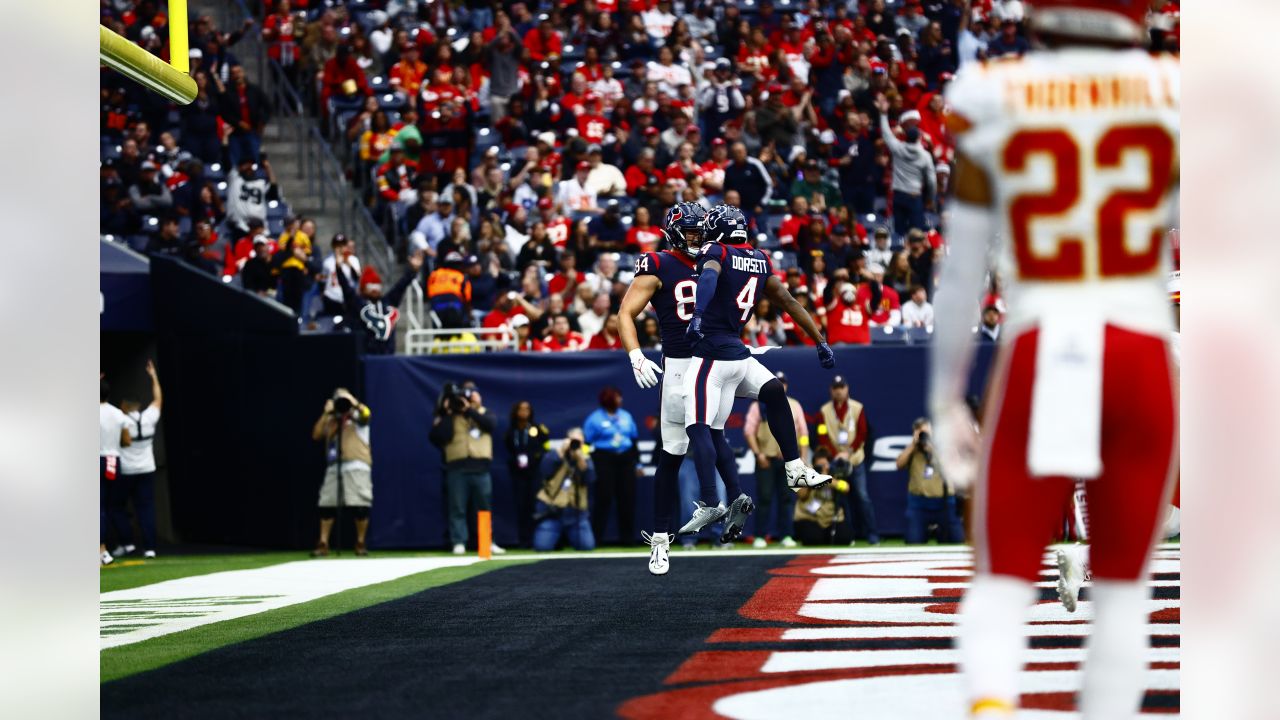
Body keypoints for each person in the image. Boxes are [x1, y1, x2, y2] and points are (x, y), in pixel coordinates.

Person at [928, 4, 1178, 717]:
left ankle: (992, 705)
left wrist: (946, 399)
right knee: (1125, 598)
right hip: (1140, 344)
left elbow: (962, 273)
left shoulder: (992, 91)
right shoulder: (1176, 90)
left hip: (1044, 340)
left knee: (1003, 582)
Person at [678, 204, 836, 542]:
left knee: (698, 427)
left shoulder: (715, 249)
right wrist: (819, 340)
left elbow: (708, 277)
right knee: (775, 392)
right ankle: (794, 468)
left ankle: (709, 501)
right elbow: (790, 302)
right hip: (740, 355)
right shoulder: (760, 258)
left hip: (712, 356)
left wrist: (698, 316)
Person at [429, 382, 505, 555]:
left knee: (484, 506)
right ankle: (458, 541)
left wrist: (469, 410)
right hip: (457, 467)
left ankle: (486, 542)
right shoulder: (449, 416)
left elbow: (490, 425)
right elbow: (438, 437)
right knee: (457, 507)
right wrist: (449, 412)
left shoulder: (484, 413)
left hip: (481, 467)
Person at [743, 371, 807, 549]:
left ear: (786, 386)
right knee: (764, 497)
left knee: (787, 498)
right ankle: (760, 535)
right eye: (778, 383)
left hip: (788, 460)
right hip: (766, 458)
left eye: (783, 383)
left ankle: (786, 535)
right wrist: (758, 454)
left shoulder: (794, 405)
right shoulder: (760, 405)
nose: (781, 386)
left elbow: (803, 434)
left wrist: (801, 457)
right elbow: (749, 431)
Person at [816, 375, 880, 545]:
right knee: (841, 498)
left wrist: (848, 452)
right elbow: (822, 434)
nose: (839, 391)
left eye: (841, 387)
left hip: (855, 460)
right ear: (831, 390)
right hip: (835, 461)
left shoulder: (857, 408)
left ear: (847, 389)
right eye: (835, 388)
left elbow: (862, 433)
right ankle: (848, 535)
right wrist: (834, 453)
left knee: (862, 496)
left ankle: (872, 534)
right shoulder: (824, 410)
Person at [310, 388, 374, 557]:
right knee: (327, 504)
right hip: (334, 466)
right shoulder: (331, 420)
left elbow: (367, 415)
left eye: (343, 397)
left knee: (360, 505)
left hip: (357, 464)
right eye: (338, 398)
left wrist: (353, 402)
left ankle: (360, 542)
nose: (341, 400)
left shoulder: (358, 417)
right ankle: (323, 543)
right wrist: (326, 413)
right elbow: (316, 435)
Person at [334, 250, 423, 354]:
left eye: (377, 286)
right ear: (363, 289)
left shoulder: (387, 302)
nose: (375, 289)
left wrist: (413, 270)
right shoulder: (358, 303)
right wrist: (339, 268)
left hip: (387, 356)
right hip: (366, 357)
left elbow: (400, 286)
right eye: (370, 286)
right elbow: (346, 288)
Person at [117, 360, 163, 559]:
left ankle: (127, 543)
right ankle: (150, 547)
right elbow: (158, 399)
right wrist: (153, 376)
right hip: (146, 468)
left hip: (127, 470)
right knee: (146, 508)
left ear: (125, 406)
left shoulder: (121, 419)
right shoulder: (149, 417)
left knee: (115, 506)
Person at [583, 387, 639, 545]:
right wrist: (585, 459)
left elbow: (634, 440)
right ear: (608, 400)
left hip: (626, 459)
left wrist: (638, 463)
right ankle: (596, 538)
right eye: (617, 397)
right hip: (604, 459)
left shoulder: (626, 416)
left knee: (627, 499)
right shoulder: (594, 419)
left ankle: (627, 539)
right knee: (604, 498)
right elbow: (587, 443)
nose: (620, 400)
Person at [896, 417, 964, 545]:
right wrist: (912, 445)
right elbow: (899, 465)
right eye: (921, 433)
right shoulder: (911, 450)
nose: (924, 436)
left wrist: (933, 449)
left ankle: (939, 531)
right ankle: (927, 530)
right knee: (913, 542)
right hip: (919, 504)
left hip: (944, 503)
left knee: (957, 540)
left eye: (926, 432)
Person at [877, 96, 936, 237]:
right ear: (918, 138)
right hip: (914, 196)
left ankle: (900, 255)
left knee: (899, 233)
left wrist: (883, 114)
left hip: (898, 196)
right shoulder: (924, 155)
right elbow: (932, 180)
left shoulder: (898, 148)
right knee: (916, 234)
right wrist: (930, 199)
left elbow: (886, 134)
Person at [532, 428, 597, 552]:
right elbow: (544, 471)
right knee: (542, 547)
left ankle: (566, 538)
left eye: (579, 441)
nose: (575, 444)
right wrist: (561, 451)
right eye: (573, 440)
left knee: (586, 546)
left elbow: (590, 479)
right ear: (566, 440)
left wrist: (579, 458)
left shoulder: (586, 459)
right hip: (552, 511)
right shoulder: (554, 455)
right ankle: (555, 538)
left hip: (576, 514)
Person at [505, 400, 551, 549]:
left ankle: (536, 539)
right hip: (518, 473)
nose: (524, 412)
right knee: (521, 506)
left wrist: (535, 457)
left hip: (533, 472)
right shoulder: (511, 431)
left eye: (527, 409)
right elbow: (509, 448)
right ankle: (523, 540)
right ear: (516, 412)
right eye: (521, 409)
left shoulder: (536, 428)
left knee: (534, 505)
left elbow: (545, 444)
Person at [100, 378, 133, 565]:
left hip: (96, 459)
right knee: (109, 506)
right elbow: (127, 441)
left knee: (97, 507)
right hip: (113, 460)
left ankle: (102, 549)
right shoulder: (117, 413)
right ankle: (112, 546)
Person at [792, 449, 854, 546]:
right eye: (819, 466)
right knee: (812, 539)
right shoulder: (806, 474)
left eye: (825, 465)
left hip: (831, 518)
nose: (822, 468)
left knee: (844, 538)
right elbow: (801, 495)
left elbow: (846, 488)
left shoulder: (835, 473)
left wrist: (826, 478)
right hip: (811, 517)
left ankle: (828, 535)